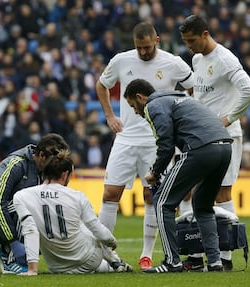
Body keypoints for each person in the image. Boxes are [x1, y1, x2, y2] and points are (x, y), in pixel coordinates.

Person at [95, 21, 194, 270]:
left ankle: (146, 255)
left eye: (147, 47)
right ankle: (104, 256)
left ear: (157, 41)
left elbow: (194, 87)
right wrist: (109, 116)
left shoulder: (173, 63)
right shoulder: (121, 60)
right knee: (110, 193)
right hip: (126, 139)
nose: (142, 52)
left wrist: (182, 119)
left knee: (151, 196)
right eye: (139, 47)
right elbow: (101, 85)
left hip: (156, 142)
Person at [124, 78, 232, 273]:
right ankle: (215, 262)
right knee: (203, 205)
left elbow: (165, 144)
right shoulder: (181, 97)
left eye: (133, 106)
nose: (135, 111)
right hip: (224, 147)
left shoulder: (152, 105)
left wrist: (154, 172)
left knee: (163, 203)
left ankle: (172, 262)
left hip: (200, 148)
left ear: (140, 97)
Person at [179, 14, 250, 271]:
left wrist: (227, 118)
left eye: (192, 40)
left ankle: (226, 258)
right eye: (185, 41)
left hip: (226, 136)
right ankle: (196, 255)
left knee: (222, 193)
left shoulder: (225, 59)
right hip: (202, 137)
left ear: (205, 34)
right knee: (198, 194)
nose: (189, 46)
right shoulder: (197, 59)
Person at [13, 149, 133, 275]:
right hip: (88, 261)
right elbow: (96, 228)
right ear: (65, 174)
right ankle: (113, 260)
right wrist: (111, 241)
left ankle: (114, 264)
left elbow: (30, 231)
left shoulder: (22, 196)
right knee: (84, 224)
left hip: (56, 266)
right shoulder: (77, 196)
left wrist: (32, 269)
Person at [0, 133, 69, 274]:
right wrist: (13, 241)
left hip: (14, 215)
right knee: (25, 202)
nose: (55, 167)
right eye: (53, 163)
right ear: (41, 155)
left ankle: (5, 250)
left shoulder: (45, 168)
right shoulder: (14, 165)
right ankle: (12, 259)